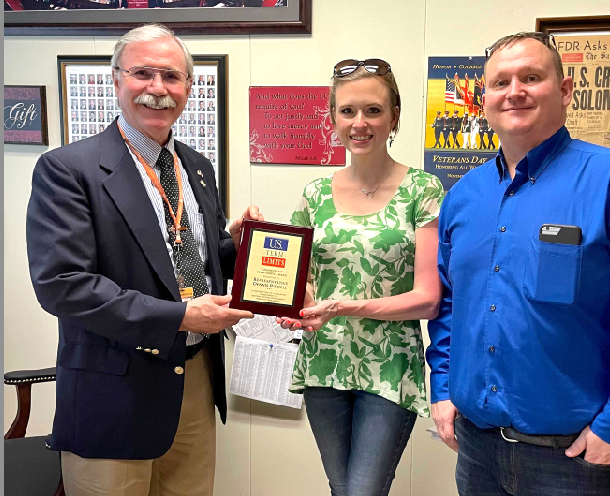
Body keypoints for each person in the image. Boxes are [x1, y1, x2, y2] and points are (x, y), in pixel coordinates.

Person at [426, 32, 610, 496]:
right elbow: (450, 304)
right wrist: (443, 387)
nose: (515, 92)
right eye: (500, 82)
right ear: (483, 100)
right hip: (477, 449)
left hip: (574, 460)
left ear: (565, 90)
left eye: (531, 77)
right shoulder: (463, 196)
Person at [26, 23, 262, 496]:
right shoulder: (68, 169)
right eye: (143, 73)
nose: (158, 88)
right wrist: (180, 317)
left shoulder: (196, 166)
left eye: (172, 76)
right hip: (113, 391)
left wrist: (237, 246)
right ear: (116, 79)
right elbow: (63, 284)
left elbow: (194, 258)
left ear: (189, 87)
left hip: (195, 378)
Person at [277, 58, 444, 496]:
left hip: (389, 365)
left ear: (394, 117)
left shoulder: (423, 190)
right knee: (340, 487)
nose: (359, 123)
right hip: (324, 361)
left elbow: (428, 299)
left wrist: (344, 307)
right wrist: (296, 302)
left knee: (364, 490)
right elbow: (300, 280)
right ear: (333, 118)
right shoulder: (314, 194)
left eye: (373, 110)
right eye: (347, 111)